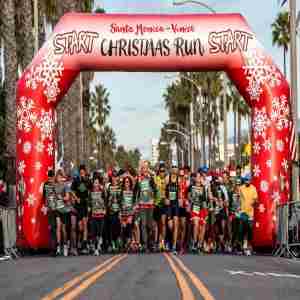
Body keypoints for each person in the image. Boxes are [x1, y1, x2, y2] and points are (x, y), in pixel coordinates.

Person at [134, 161, 156, 253]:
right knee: (143, 224)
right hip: (142, 204)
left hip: (150, 204)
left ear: (148, 169)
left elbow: (155, 189)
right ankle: (145, 244)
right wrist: (135, 204)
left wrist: (151, 178)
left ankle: (151, 242)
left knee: (149, 225)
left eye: (146, 168)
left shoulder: (151, 178)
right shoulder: (139, 178)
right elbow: (136, 192)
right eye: (143, 168)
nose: (144, 169)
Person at [71, 165, 91, 254]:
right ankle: (78, 243)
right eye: (81, 171)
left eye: (83, 171)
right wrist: (76, 198)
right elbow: (71, 191)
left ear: (85, 172)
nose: (82, 173)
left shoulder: (87, 180)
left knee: (85, 224)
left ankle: (84, 245)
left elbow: (91, 190)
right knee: (80, 227)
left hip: (85, 204)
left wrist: (90, 203)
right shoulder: (76, 181)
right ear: (79, 172)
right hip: (78, 205)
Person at [189, 172, 209, 253]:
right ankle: (194, 242)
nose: (198, 178)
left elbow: (204, 200)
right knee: (196, 224)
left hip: (201, 208)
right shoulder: (191, 186)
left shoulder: (203, 187)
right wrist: (190, 199)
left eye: (199, 177)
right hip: (194, 207)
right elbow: (188, 196)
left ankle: (200, 245)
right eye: (197, 177)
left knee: (202, 226)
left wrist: (206, 213)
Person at [239, 176, 258, 256]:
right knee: (243, 229)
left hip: (250, 212)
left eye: (249, 180)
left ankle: (249, 246)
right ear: (244, 181)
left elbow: (256, 199)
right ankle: (243, 246)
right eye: (246, 180)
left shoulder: (253, 188)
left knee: (249, 229)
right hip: (243, 212)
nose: (247, 182)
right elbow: (238, 198)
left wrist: (255, 202)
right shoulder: (241, 188)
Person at [54, 169, 71, 256]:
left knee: (63, 229)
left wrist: (62, 198)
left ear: (62, 177)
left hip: (64, 209)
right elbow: (52, 197)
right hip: (57, 209)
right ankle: (57, 248)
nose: (59, 178)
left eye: (60, 177)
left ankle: (65, 246)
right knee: (58, 227)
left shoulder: (65, 186)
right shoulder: (55, 186)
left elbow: (67, 197)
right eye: (58, 177)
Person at [89, 176, 106, 255]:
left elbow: (105, 201)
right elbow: (89, 203)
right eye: (95, 183)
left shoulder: (102, 192)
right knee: (94, 233)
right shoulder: (91, 192)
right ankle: (95, 248)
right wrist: (89, 208)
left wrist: (105, 209)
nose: (96, 184)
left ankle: (98, 245)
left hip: (101, 215)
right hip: (93, 215)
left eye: (97, 183)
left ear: (99, 184)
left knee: (99, 232)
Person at [166, 165, 180, 254]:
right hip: (169, 204)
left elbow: (181, 190)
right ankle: (171, 240)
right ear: (171, 170)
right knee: (170, 226)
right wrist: (165, 198)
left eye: (176, 168)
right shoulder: (168, 178)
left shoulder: (179, 179)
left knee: (176, 225)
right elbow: (164, 189)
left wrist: (181, 199)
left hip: (176, 204)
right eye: (173, 168)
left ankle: (174, 246)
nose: (174, 169)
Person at [43, 170, 57, 256]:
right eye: (50, 177)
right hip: (52, 209)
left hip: (55, 208)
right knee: (52, 228)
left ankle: (56, 248)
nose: (50, 179)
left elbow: (44, 197)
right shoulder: (46, 184)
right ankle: (53, 248)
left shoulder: (50, 184)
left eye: (51, 177)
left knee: (54, 229)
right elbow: (44, 197)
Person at [107, 170, 122, 252]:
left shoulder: (120, 187)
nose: (115, 178)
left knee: (118, 227)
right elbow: (106, 199)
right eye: (113, 177)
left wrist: (120, 211)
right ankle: (112, 243)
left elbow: (122, 199)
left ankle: (118, 242)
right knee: (112, 227)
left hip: (119, 211)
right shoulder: (109, 187)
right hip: (111, 210)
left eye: (116, 177)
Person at [154, 165, 168, 251]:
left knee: (163, 223)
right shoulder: (156, 178)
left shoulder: (167, 179)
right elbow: (151, 174)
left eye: (163, 171)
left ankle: (162, 242)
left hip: (164, 203)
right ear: (158, 172)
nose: (162, 172)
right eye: (160, 171)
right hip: (157, 203)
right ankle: (156, 242)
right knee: (157, 224)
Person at [120, 176, 135, 252]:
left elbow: (134, 203)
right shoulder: (121, 192)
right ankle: (124, 244)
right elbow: (120, 203)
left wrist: (131, 214)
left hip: (130, 213)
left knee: (129, 225)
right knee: (124, 227)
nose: (127, 183)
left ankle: (129, 243)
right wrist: (120, 214)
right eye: (125, 182)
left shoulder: (132, 192)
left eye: (128, 182)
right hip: (123, 213)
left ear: (130, 183)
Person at [178, 167, 189, 254]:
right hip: (176, 206)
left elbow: (190, 195)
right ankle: (177, 243)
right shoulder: (176, 183)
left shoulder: (188, 184)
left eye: (183, 175)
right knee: (176, 226)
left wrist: (187, 202)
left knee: (183, 226)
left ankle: (182, 245)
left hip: (184, 207)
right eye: (180, 175)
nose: (182, 177)